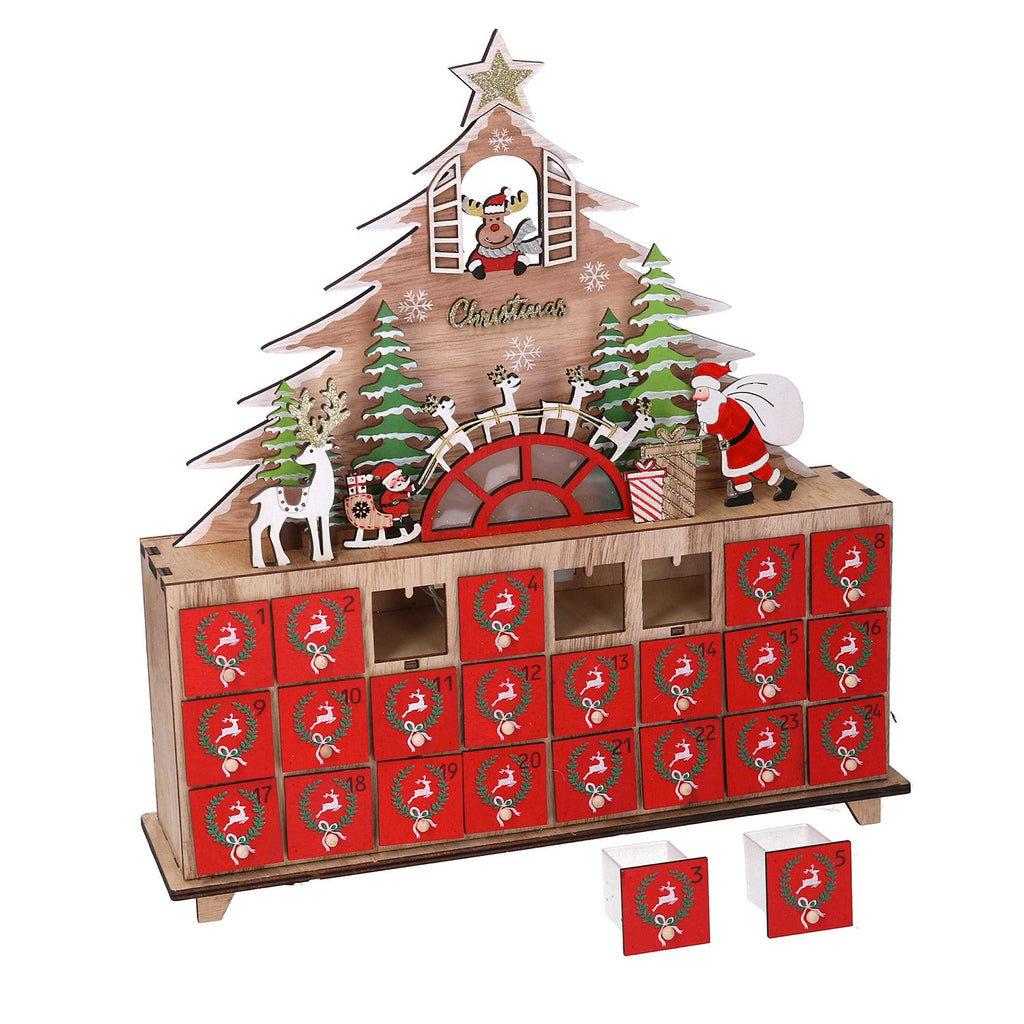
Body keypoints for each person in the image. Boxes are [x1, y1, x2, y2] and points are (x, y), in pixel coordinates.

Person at [692, 361, 798, 507]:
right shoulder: (719, 403)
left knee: (757, 470)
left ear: (710, 389)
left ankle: (782, 485)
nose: (695, 397)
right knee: (744, 471)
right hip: (740, 445)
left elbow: (721, 426)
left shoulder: (722, 405)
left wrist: (705, 426)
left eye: (700, 391)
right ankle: (751, 493)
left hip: (744, 445)